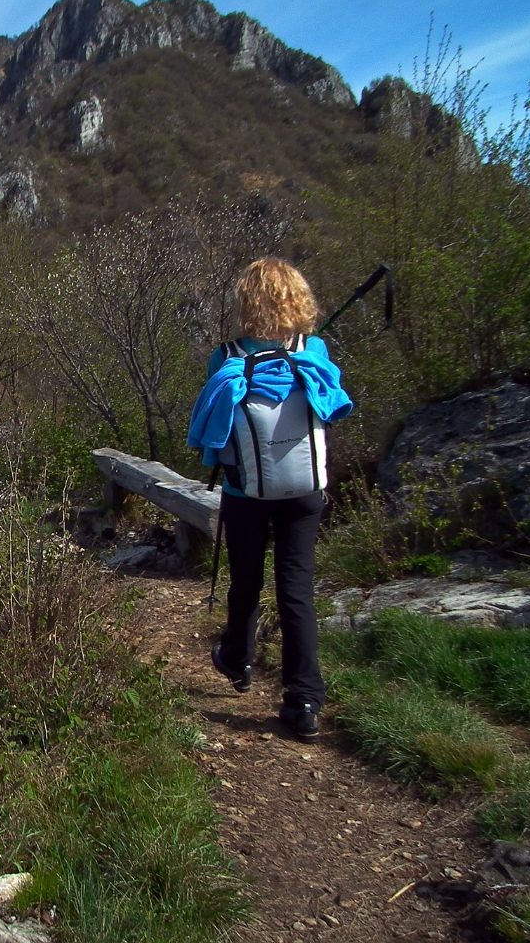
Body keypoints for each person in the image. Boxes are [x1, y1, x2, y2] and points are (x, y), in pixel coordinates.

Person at [186, 257, 353, 744]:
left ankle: (237, 659)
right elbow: (330, 409)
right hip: (305, 491)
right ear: (298, 299)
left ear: (245, 303)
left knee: (246, 582)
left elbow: (215, 431)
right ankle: (304, 700)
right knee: (296, 591)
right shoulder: (314, 349)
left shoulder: (228, 356)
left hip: (247, 491)